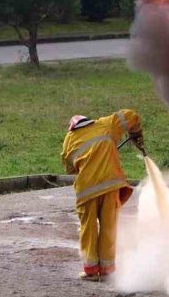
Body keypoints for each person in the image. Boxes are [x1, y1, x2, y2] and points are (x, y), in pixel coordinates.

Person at [61, 109, 143, 281]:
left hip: (87, 191)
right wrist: (135, 133)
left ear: (73, 127)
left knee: (88, 229)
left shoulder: (69, 138)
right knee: (108, 228)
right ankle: (107, 271)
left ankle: (91, 271)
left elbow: (69, 167)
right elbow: (131, 115)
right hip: (110, 187)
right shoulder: (106, 124)